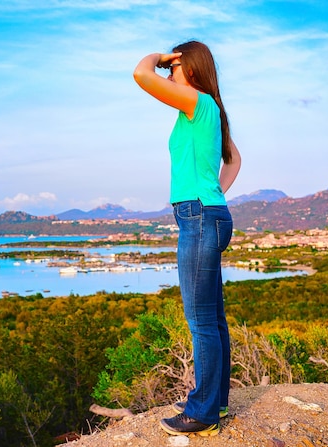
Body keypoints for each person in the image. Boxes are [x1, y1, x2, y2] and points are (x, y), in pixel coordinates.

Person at [133, 40, 241, 437]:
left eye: (174, 69)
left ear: (190, 69)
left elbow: (140, 73)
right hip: (207, 212)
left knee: (200, 322)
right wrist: (216, 194)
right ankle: (215, 401)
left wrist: (159, 57)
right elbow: (235, 159)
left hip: (198, 216)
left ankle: (202, 413)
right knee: (213, 318)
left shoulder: (198, 103)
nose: (167, 75)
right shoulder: (205, 110)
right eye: (168, 68)